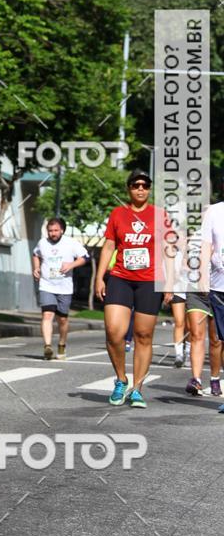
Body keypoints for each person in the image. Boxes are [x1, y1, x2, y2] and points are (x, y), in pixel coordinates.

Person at [95, 169, 172, 408]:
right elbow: (109, 246)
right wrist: (100, 277)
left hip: (150, 280)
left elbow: (168, 250)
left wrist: (170, 283)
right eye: (136, 185)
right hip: (120, 277)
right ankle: (120, 379)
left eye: (145, 185)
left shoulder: (160, 215)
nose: (141, 188)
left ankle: (137, 388)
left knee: (143, 335)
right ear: (129, 188)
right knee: (114, 332)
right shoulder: (118, 213)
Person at [32, 218, 87, 360]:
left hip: (64, 287)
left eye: (56, 230)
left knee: (62, 319)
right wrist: (36, 268)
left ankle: (62, 344)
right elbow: (35, 254)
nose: (53, 233)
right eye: (50, 231)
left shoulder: (71, 243)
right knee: (47, 315)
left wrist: (71, 265)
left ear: (62, 230)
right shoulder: (42, 243)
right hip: (46, 285)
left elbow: (85, 257)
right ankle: (47, 346)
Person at [184, 201, 224, 396]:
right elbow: (183, 260)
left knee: (216, 339)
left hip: (217, 289)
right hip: (197, 289)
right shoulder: (193, 238)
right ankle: (196, 379)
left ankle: (215, 378)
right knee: (196, 334)